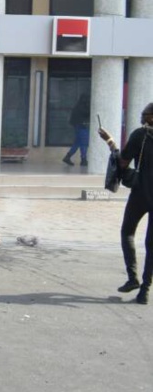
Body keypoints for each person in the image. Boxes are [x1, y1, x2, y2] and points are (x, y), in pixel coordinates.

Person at [101, 104, 153, 304]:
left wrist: (110, 142)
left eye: (144, 115)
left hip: (141, 193)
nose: (142, 118)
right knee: (151, 245)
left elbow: (122, 161)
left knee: (127, 232)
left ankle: (133, 278)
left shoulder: (141, 135)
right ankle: (145, 292)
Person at [63, 93, 90, 167]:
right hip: (82, 126)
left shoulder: (78, 106)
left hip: (78, 126)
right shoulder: (83, 106)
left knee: (78, 143)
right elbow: (87, 113)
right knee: (83, 143)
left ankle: (68, 156)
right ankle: (83, 159)